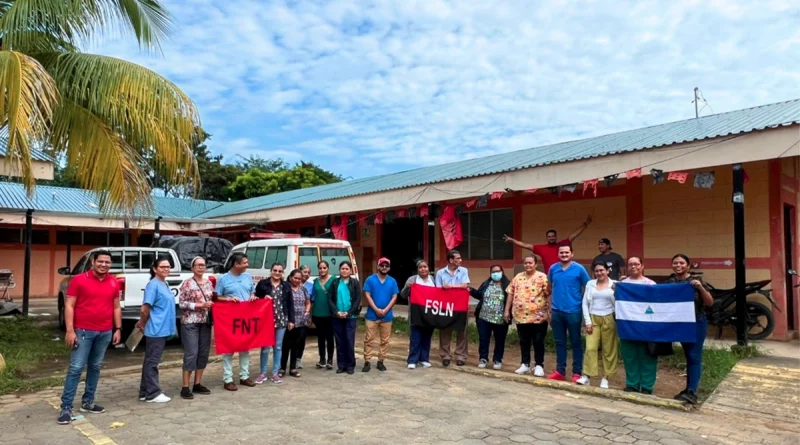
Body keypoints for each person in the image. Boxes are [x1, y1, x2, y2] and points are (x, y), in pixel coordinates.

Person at [57, 250, 122, 425]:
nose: (103, 265)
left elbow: (116, 307)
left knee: (95, 367)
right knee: (76, 368)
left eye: (107, 262)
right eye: (100, 261)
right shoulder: (79, 280)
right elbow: (69, 305)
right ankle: (66, 407)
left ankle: (88, 402)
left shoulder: (114, 282)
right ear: (93, 262)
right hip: (83, 331)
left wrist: (118, 328)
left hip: (105, 332)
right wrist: (70, 330)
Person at [666, 254, 713, 405]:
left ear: (688, 265)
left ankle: (692, 391)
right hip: (678, 323)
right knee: (687, 354)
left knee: (693, 356)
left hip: (696, 323)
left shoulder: (696, 282)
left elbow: (709, 302)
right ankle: (688, 389)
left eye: (681, 262)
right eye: (675, 263)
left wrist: (700, 288)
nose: (678, 265)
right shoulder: (670, 281)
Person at [136, 256, 177, 403]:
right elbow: (145, 308)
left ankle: (144, 391)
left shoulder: (163, 283)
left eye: (168, 267)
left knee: (150, 360)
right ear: (155, 269)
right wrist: (142, 322)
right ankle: (153, 393)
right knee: (152, 361)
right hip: (156, 329)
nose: (166, 269)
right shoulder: (153, 285)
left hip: (163, 328)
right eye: (163, 267)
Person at [547, 245, 591, 383]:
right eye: (561, 252)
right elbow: (549, 288)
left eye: (567, 252)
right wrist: (549, 308)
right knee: (560, 342)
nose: (564, 254)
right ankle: (560, 371)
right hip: (557, 311)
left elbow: (588, 287)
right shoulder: (553, 268)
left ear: (572, 253)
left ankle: (577, 373)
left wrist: (584, 306)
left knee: (576, 342)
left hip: (574, 311)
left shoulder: (579, 269)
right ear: (558, 254)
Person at [215, 252, 257, 391]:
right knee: (228, 349)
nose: (247, 265)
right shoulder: (223, 279)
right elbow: (217, 297)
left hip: (245, 317)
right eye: (245, 262)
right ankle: (228, 379)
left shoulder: (248, 277)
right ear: (236, 264)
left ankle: (244, 376)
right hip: (230, 318)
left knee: (245, 347)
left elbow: (252, 291)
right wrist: (228, 299)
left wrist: (252, 296)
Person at [617, 256, 659, 394]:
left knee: (647, 356)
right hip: (627, 326)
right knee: (630, 356)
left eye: (636, 264)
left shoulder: (651, 284)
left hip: (647, 327)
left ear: (642, 266)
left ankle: (647, 386)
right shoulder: (623, 284)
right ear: (627, 267)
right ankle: (632, 384)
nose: (633, 266)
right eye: (630, 264)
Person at [504, 255, 550, 376]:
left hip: (538, 317)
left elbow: (548, 294)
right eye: (526, 263)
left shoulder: (542, 277)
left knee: (538, 341)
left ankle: (539, 365)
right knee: (524, 341)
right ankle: (525, 364)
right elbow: (510, 293)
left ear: (536, 264)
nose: (528, 265)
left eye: (530, 263)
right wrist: (506, 310)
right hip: (521, 316)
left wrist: (551, 309)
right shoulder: (518, 277)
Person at [177, 257, 214, 399]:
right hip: (190, 322)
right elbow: (181, 303)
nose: (200, 267)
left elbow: (213, 298)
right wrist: (199, 306)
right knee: (191, 353)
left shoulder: (209, 283)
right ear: (192, 268)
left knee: (203, 353)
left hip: (205, 321)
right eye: (198, 265)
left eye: (203, 265)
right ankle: (185, 386)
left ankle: (197, 383)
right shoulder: (187, 283)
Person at [579, 262, 619, 388]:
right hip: (593, 318)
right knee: (590, 347)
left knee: (608, 349)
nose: (599, 273)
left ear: (608, 271)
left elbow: (618, 302)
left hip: (609, 318)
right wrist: (588, 322)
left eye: (602, 270)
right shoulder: (590, 284)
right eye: (596, 271)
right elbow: (585, 303)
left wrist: (616, 290)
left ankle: (605, 378)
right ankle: (586, 376)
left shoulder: (615, 284)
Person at [502, 216, 592, 272]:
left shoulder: (562, 245)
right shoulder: (542, 248)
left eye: (553, 236)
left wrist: (585, 224)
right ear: (547, 238)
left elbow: (574, 235)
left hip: (564, 274)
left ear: (556, 237)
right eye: (549, 236)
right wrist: (513, 241)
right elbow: (526, 245)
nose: (551, 238)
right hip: (549, 277)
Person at [254, 263, 293, 385]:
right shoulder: (263, 284)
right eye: (275, 270)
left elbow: (290, 303)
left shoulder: (286, 285)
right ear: (271, 271)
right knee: (265, 348)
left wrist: (291, 320)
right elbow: (255, 300)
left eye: (280, 271)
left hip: (281, 319)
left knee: (278, 347)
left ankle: (275, 373)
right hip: (266, 320)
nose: (277, 273)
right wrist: (262, 298)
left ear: (283, 273)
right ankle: (263, 373)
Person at [470, 265, 511, 370]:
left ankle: (497, 359)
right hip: (484, 317)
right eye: (493, 272)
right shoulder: (486, 284)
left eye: (498, 271)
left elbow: (511, 300)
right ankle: (483, 358)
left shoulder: (508, 285)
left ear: (502, 272)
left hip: (501, 319)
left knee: (500, 340)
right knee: (483, 339)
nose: (495, 273)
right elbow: (479, 295)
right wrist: (469, 290)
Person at [362, 257, 399, 373]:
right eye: (382, 265)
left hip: (387, 316)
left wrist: (386, 309)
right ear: (377, 266)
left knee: (385, 340)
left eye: (386, 266)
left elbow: (394, 297)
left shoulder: (392, 281)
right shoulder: (370, 279)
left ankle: (381, 361)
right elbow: (367, 295)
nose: (384, 267)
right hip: (372, 315)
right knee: (369, 339)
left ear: (389, 268)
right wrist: (376, 309)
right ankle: (367, 361)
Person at [435, 250, 471, 367]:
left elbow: (465, 285)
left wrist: (450, 287)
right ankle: (445, 355)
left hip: (460, 305)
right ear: (451, 260)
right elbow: (437, 289)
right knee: (445, 330)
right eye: (458, 258)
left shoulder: (464, 270)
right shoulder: (440, 273)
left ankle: (460, 356)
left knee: (462, 331)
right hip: (445, 306)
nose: (461, 260)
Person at [401, 260, 436, 369]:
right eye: (420, 267)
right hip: (416, 314)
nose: (423, 269)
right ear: (417, 270)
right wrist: (407, 287)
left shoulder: (433, 280)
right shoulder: (412, 280)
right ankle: (412, 360)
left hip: (430, 313)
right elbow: (403, 295)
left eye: (425, 267)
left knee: (427, 337)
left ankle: (424, 359)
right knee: (415, 338)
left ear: (428, 268)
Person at [328, 261, 361, 374]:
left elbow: (357, 299)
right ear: (339, 270)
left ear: (350, 271)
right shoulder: (335, 283)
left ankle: (350, 365)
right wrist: (337, 312)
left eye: (347, 269)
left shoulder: (355, 283)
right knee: (339, 341)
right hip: (337, 317)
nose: (344, 270)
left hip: (351, 317)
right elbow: (330, 299)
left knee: (349, 340)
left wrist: (349, 312)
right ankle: (341, 365)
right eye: (342, 268)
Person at [280, 269, 312, 377]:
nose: (297, 280)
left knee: (295, 345)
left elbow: (308, 303)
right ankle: (282, 368)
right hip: (287, 321)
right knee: (285, 345)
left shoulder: (303, 289)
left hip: (301, 321)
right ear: (290, 277)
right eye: (295, 278)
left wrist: (307, 312)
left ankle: (293, 368)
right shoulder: (285, 289)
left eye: (299, 278)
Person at [311, 260, 335, 370]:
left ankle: (330, 360)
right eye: (320, 268)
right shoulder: (315, 281)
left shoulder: (334, 280)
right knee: (320, 337)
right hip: (317, 313)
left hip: (330, 313)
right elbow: (312, 298)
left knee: (330, 337)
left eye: (324, 268)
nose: (322, 270)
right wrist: (310, 314)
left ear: (328, 268)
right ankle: (322, 359)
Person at [298, 265, 314, 369]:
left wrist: (309, 316)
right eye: (305, 272)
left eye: (308, 272)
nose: (306, 274)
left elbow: (312, 302)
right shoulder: (292, 283)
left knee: (302, 337)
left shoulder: (311, 286)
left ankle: (298, 359)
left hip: (304, 315)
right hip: (292, 315)